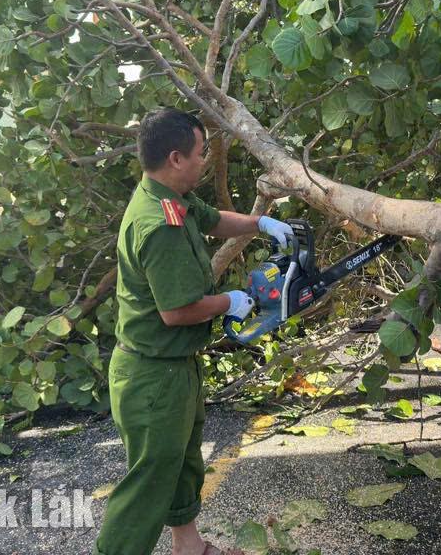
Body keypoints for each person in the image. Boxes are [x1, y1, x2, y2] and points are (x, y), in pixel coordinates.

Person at [94, 108, 294, 555]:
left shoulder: (169, 198)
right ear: (176, 158)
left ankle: (190, 548)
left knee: (182, 463)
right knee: (148, 484)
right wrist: (231, 301)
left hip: (172, 367)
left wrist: (260, 224)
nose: (205, 160)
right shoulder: (158, 225)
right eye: (201, 152)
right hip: (153, 376)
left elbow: (212, 219)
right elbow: (177, 311)